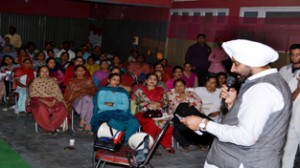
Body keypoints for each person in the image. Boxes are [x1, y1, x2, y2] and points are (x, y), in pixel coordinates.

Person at [181, 39, 292, 168]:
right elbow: (255, 120)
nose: (232, 69)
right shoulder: (271, 82)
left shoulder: (262, 89)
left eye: (236, 64)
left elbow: (245, 137)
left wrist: (203, 124)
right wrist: (232, 104)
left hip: (243, 162)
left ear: (251, 62)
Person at [90, 73, 139, 142]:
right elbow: (101, 106)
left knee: (134, 122)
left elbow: (125, 107)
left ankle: (123, 140)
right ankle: (118, 139)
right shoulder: (103, 91)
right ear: (108, 80)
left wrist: (112, 104)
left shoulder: (123, 92)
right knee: (115, 122)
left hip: (122, 113)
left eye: (118, 80)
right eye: (114, 79)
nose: (116, 82)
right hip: (105, 113)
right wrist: (118, 106)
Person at [132, 73, 174, 153]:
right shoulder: (139, 90)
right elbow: (137, 101)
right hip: (143, 112)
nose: (152, 81)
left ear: (157, 82)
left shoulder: (160, 90)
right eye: (150, 79)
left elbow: (165, 102)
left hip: (158, 111)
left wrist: (159, 104)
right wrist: (149, 105)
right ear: (146, 81)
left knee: (169, 123)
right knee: (152, 123)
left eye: (154, 79)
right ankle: (149, 145)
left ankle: (167, 144)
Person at [28, 66, 67, 133]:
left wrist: (55, 100)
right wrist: (46, 102)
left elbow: (58, 94)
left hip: (53, 99)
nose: (44, 73)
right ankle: (49, 128)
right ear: (38, 73)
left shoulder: (52, 81)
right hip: (39, 100)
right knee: (41, 108)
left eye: (46, 71)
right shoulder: (35, 81)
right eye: (42, 71)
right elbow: (33, 95)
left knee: (62, 107)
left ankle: (52, 126)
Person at [167, 79, 203, 151]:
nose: (179, 87)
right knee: (183, 106)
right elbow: (170, 106)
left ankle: (191, 142)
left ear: (185, 86)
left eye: (181, 85)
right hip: (177, 115)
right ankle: (186, 143)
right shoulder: (170, 94)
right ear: (174, 87)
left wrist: (191, 105)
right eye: (177, 86)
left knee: (183, 123)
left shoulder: (191, 94)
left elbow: (199, 103)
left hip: (191, 115)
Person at [281, 44, 300, 168]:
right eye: (292, 54)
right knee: (287, 153)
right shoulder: (283, 70)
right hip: (290, 117)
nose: (294, 57)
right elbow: (285, 96)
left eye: (298, 54)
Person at [64, 65, 96, 133]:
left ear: (84, 72)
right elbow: (69, 93)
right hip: (76, 100)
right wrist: (80, 94)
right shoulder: (71, 81)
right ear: (75, 72)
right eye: (78, 70)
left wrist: (85, 94)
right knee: (88, 99)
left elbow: (93, 91)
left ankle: (83, 121)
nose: (80, 72)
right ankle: (88, 124)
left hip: (88, 99)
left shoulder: (89, 80)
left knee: (89, 100)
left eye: (82, 70)